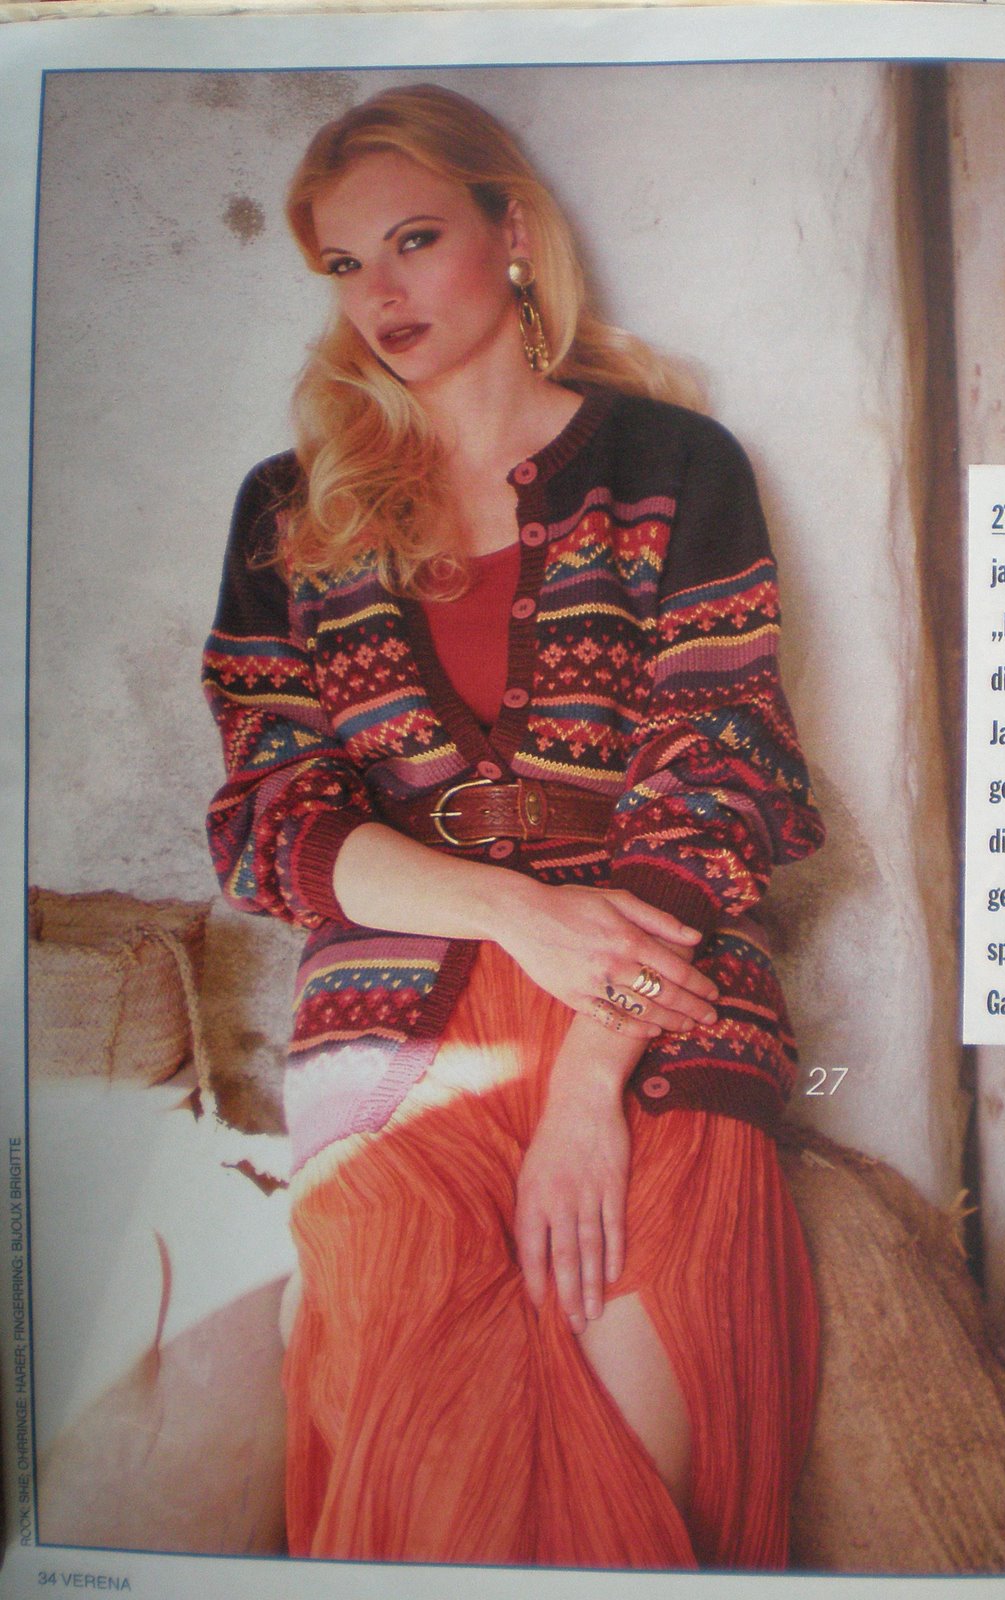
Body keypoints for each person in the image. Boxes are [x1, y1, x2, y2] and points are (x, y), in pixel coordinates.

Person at [203, 82, 825, 1570]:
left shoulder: (673, 466)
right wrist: (510, 909)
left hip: (657, 1002)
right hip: (391, 1020)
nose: (382, 294)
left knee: (625, 1444)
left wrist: (588, 1089)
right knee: (428, 1461)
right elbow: (271, 818)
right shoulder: (292, 513)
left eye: (415, 239)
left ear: (517, 232)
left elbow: (721, 774)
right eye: (345, 264)